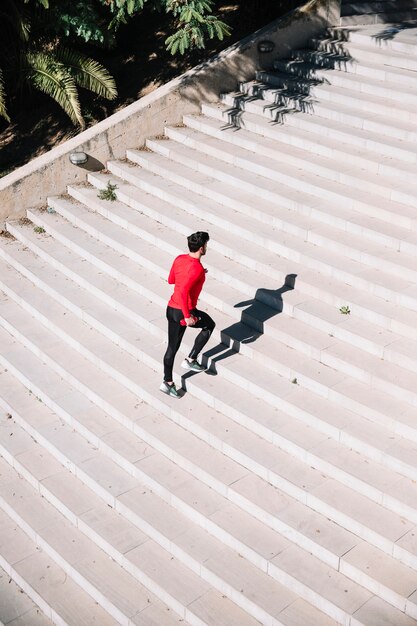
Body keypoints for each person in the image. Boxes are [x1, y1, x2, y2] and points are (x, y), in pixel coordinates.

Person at [160, 231, 215, 398]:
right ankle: (190, 360)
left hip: (171, 308)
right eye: (206, 245)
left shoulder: (179, 259)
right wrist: (187, 315)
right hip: (183, 311)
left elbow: (171, 280)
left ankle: (167, 382)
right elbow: (183, 290)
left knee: (172, 347)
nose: (206, 247)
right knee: (209, 325)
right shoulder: (196, 268)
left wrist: (197, 275)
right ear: (201, 248)